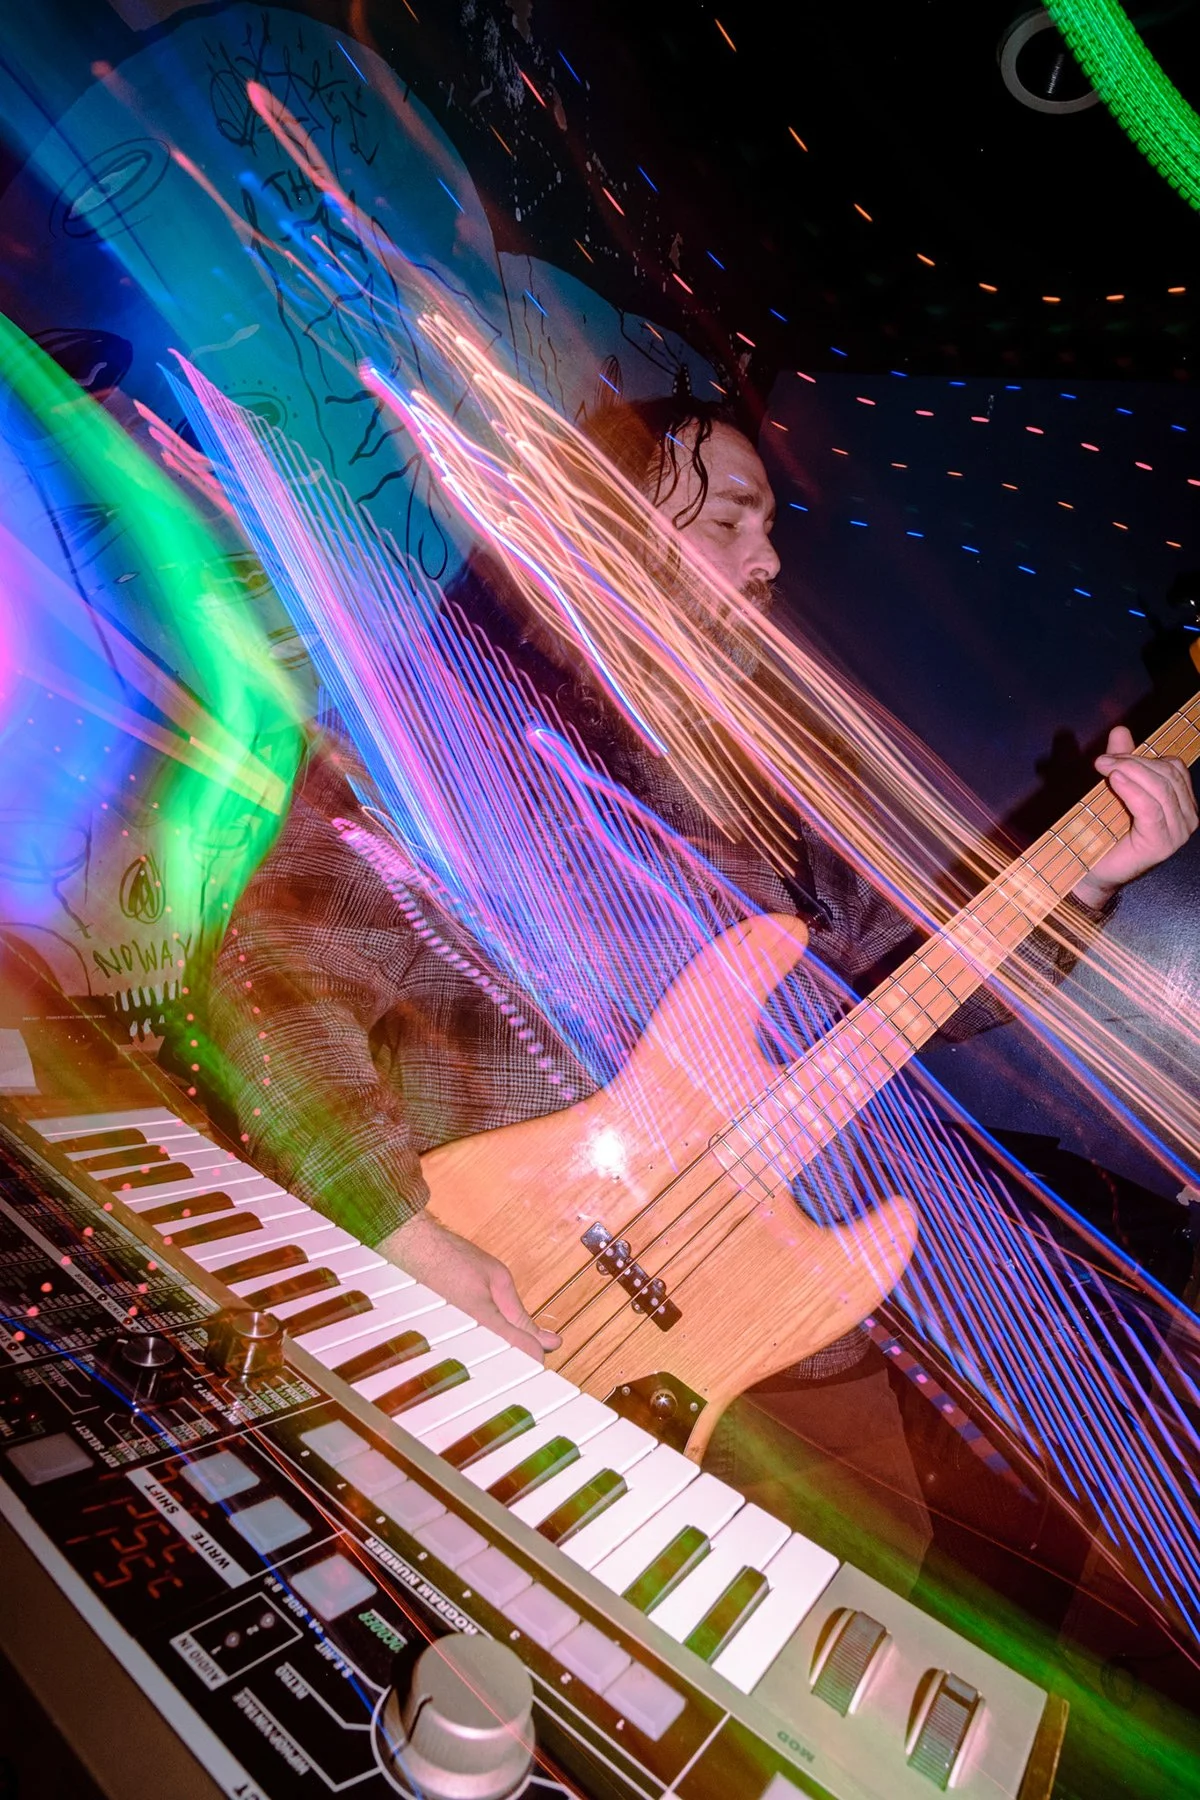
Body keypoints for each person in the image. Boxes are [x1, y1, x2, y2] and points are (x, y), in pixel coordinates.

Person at [200, 396, 1197, 1586]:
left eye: (769, 529)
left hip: (780, 1351)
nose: (767, 559)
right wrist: (400, 1233)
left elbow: (920, 980)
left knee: (828, 1643)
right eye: (727, 519)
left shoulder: (768, 780)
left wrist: (1086, 879)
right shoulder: (446, 731)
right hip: (496, 1286)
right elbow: (271, 976)